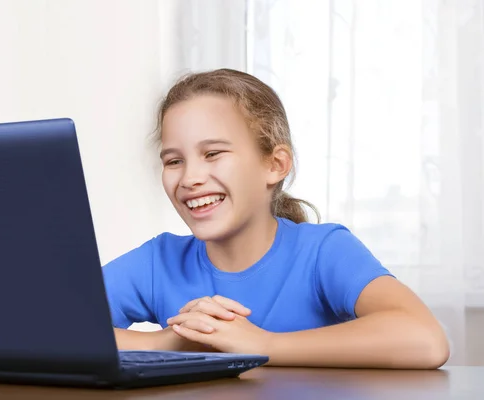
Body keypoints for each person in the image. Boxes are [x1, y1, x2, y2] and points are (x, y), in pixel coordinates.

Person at [102, 68, 450, 369]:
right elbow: (50, 330)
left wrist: (263, 346)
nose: (190, 177)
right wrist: (172, 342)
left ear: (275, 164)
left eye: (213, 153)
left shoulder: (322, 252)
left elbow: (425, 339)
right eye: (174, 160)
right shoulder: (157, 261)